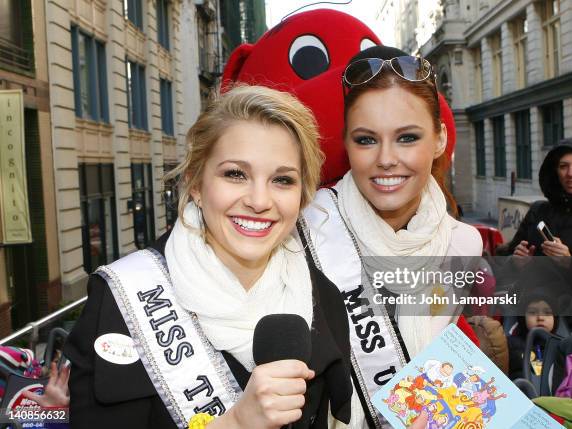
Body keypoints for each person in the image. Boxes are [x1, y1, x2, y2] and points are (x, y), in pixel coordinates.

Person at [64, 85, 352, 429]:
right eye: (235, 174)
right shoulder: (121, 301)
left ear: (302, 197)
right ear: (196, 185)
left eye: (282, 179)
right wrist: (236, 424)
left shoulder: (324, 299)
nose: (259, 200)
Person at [300, 45, 483, 428]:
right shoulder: (307, 226)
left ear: (439, 140)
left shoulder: (464, 244)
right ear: (347, 144)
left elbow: (437, 367)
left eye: (407, 138)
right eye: (366, 139)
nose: (385, 158)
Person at [498, 134, 572, 258]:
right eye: (563, 166)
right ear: (555, 171)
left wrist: (569, 260)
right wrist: (516, 260)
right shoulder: (538, 210)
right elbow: (506, 258)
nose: (570, 173)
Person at [506, 290, 559, 380]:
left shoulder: (561, 347)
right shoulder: (510, 344)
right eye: (532, 313)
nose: (540, 318)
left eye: (547, 313)